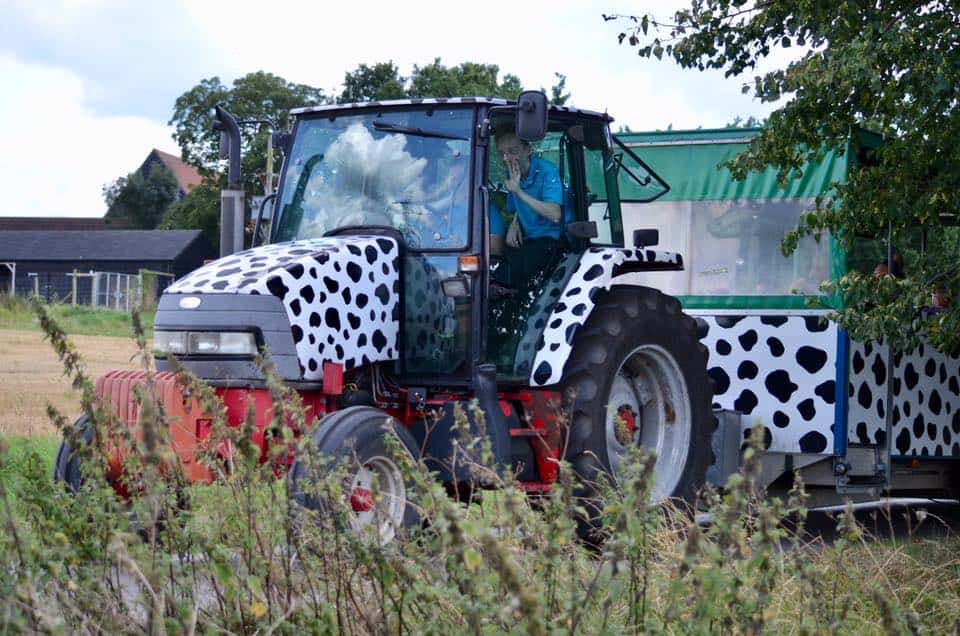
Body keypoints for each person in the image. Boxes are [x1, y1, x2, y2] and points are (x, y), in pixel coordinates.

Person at [495, 132, 564, 285]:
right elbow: (515, 208)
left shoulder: (547, 172)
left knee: (513, 279)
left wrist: (518, 191)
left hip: (552, 239)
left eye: (513, 151)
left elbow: (555, 214)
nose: (506, 159)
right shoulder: (512, 172)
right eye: (502, 154)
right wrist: (515, 223)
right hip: (527, 237)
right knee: (494, 268)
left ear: (528, 150)